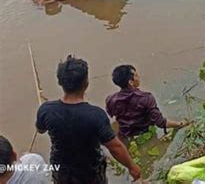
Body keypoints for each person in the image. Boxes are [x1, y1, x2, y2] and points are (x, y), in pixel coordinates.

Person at [36, 55, 141, 183]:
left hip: (61, 169)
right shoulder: (96, 115)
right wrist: (132, 167)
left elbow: (40, 129)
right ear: (86, 83)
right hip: (90, 172)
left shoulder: (46, 110)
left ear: (60, 82)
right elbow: (115, 147)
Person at [106, 65, 189, 138]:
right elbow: (160, 123)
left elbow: (112, 116)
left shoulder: (110, 100)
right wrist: (181, 124)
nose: (139, 77)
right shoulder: (146, 98)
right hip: (145, 133)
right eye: (136, 75)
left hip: (125, 135)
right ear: (131, 82)